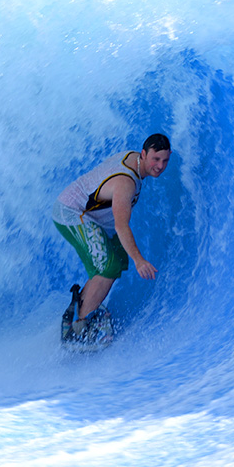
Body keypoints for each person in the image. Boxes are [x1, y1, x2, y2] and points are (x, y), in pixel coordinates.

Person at [53, 133, 172, 335]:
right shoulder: (126, 183)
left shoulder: (133, 158)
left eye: (165, 160)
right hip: (72, 213)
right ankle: (79, 328)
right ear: (143, 154)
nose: (160, 166)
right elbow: (121, 226)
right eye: (156, 159)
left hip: (94, 216)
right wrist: (139, 260)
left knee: (118, 257)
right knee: (109, 266)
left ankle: (81, 307)